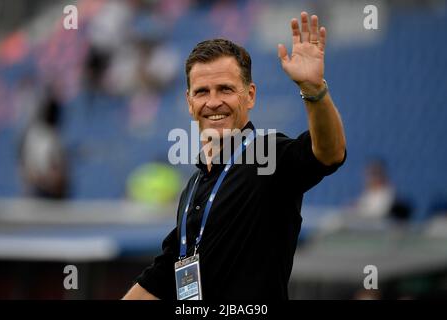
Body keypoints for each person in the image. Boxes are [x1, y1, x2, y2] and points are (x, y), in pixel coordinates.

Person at [123, 12, 346, 300]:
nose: (213, 101)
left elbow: (329, 153)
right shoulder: (193, 187)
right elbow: (162, 275)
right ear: (189, 103)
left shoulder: (268, 157)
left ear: (250, 95)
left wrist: (313, 89)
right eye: (202, 91)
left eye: (225, 89)